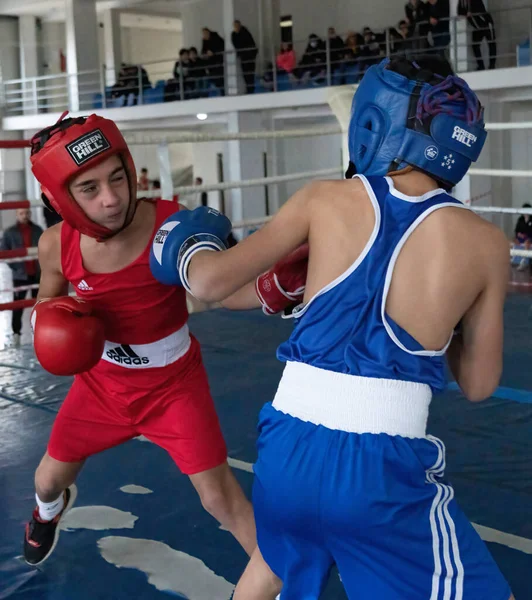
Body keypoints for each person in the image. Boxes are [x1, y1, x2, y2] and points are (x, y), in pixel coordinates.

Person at [149, 56, 514, 599]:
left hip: (287, 447)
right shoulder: (485, 243)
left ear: (374, 122)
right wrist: (440, 318)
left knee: (277, 556)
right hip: (380, 472)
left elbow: (209, 283)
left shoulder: (323, 200)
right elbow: (480, 384)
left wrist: (189, 242)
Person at [23, 112, 308, 567]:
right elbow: (47, 298)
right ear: (61, 200)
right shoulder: (57, 245)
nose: (113, 199)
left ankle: (287, 583)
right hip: (101, 388)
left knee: (220, 500)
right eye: (89, 189)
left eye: (118, 178)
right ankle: (46, 514)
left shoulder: (171, 225)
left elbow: (221, 288)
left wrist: (272, 288)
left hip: (174, 388)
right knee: (45, 481)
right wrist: (52, 327)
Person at [0, 207, 43, 345]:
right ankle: (16, 333)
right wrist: (16, 268)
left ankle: (40, 331)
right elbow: (3, 252)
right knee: (17, 306)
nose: (24, 216)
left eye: (27, 213)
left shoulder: (37, 229)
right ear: (16, 214)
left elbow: (45, 248)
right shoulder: (9, 232)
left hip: (37, 273)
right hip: (20, 276)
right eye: (21, 213)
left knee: (40, 304)